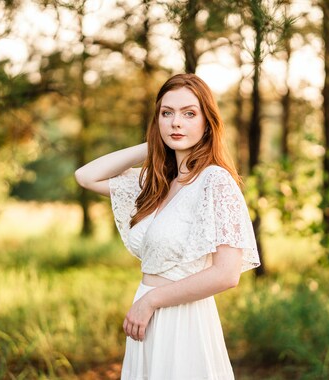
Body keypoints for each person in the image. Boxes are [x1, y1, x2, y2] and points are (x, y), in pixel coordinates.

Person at [75, 73, 260, 379]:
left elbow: (227, 274)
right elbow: (86, 176)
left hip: (183, 319)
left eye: (189, 114)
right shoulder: (154, 181)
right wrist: (153, 145)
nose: (176, 122)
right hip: (146, 317)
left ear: (206, 123)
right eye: (167, 113)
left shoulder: (215, 182)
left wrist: (152, 301)